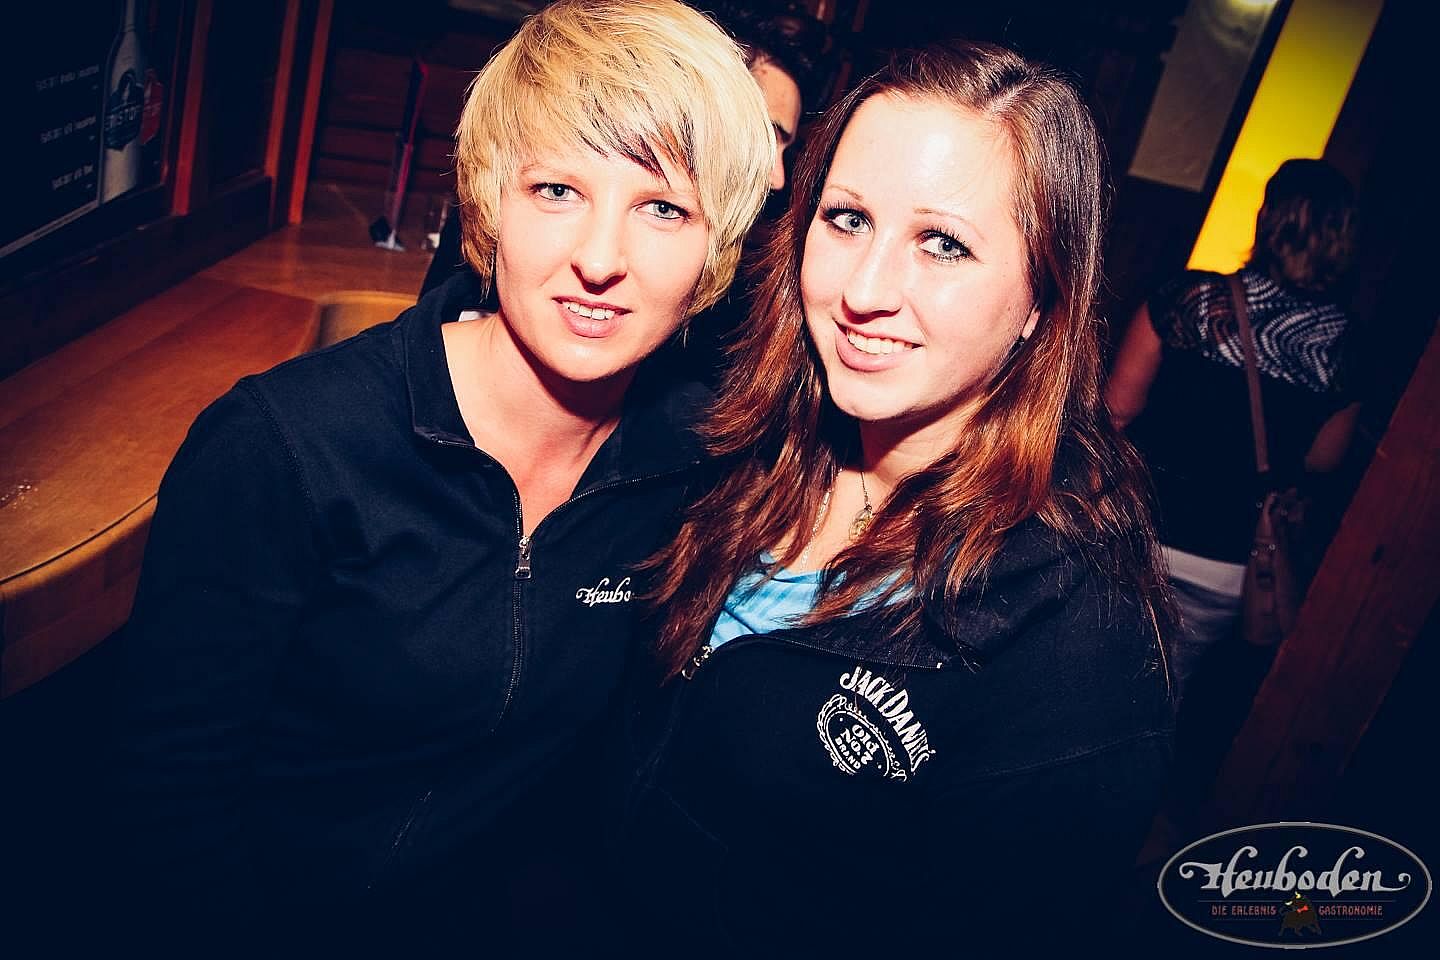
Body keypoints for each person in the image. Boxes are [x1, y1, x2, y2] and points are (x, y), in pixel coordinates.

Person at [105, 0, 773, 933]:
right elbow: (168, 805)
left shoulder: (691, 467)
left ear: (716, 248)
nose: (600, 258)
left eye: (663, 208)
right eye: (557, 191)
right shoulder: (286, 448)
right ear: (490, 203)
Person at [615, 41, 1175, 952]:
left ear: (1043, 297)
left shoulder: (1077, 634)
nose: (864, 291)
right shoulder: (737, 445)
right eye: (847, 219)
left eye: (942, 244)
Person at [1105, 158, 1361, 698]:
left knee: (1068, 674)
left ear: (1268, 219)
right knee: (1161, 696)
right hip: (1225, 558)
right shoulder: (1343, 347)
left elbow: (1117, 411)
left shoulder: (1189, 301)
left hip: (1132, 530)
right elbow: (1323, 461)